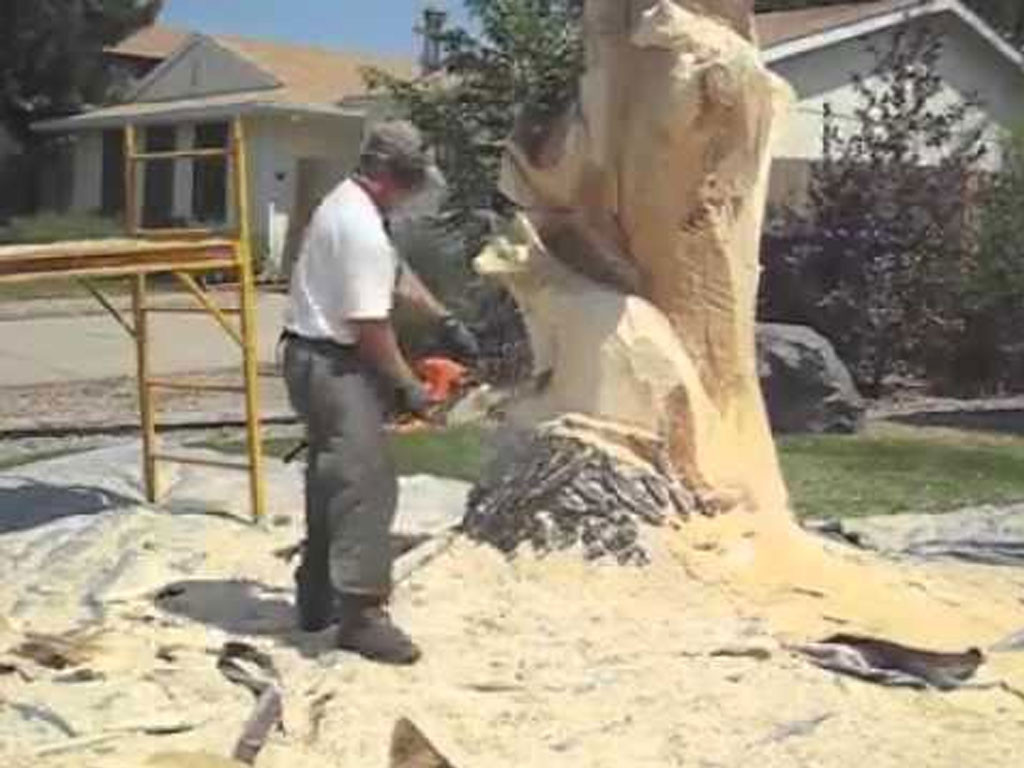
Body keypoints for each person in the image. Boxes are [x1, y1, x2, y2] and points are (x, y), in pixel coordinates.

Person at [280, 120, 479, 665]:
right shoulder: (359, 227)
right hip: (330, 360)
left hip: (317, 354)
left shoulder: (355, 208)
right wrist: (409, 387)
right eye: (414, 182)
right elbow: (369, 325)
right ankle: (361, 616)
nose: (415, 194)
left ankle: (316, 595)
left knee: (333, 475)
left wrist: (443, 321)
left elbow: (395, 274)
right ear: (392, 175)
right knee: (365, 482)